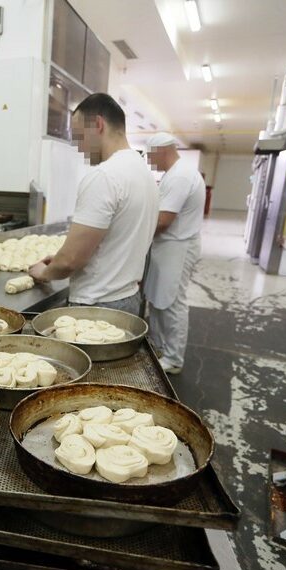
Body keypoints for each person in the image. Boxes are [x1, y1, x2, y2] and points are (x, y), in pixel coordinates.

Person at [28, 93, 159, 316]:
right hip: (127, 299)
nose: (80, 148)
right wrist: (58, 259)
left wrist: (45, 272)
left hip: (97, 307)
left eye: (79, 136)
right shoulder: (144, 174)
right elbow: (114, 241)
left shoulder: (104, 176)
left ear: (98, 125)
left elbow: (70, 261)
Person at [143, 132, 206, 374]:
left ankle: (173, 358)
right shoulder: (174, 173)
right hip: (168, 247)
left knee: (171, 303)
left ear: (162, 151)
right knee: (158, 299)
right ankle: (159, 346)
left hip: (177, 247)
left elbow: (164, 220)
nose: (150, 161)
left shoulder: (180, 176)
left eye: (151, 156)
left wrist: (135, 231)